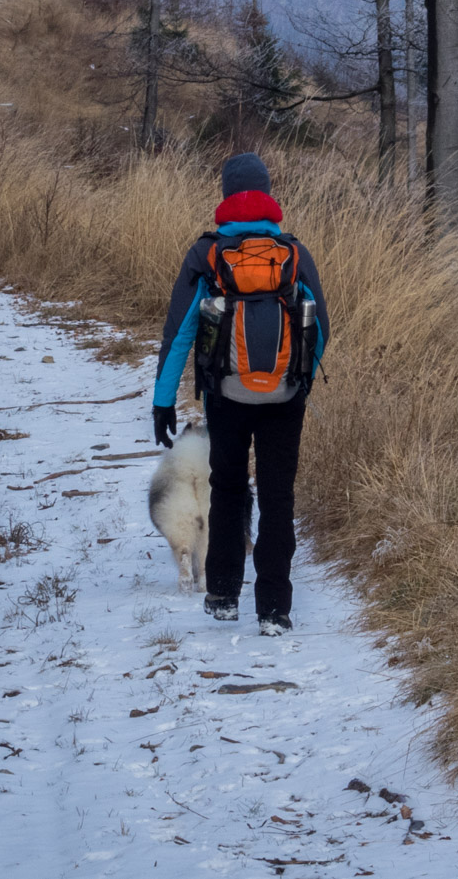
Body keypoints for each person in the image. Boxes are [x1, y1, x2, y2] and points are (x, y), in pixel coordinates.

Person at [154, 152, 328, 636]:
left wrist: (163, 401)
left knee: (228, 489)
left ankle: (224, 594)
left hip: (225, 397)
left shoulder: (207, 253)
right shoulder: (293, 252)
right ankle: (274, 609)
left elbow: (180, 333)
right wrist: (299, 382)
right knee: (278, 496)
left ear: (227, 194)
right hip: (284, 398)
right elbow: (322, 328)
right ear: (267, 193)